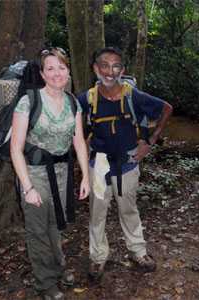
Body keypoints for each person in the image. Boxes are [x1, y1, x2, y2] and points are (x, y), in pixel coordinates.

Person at [77, 47, 173, 282]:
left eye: (116, 66)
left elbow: (166, 109)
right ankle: (98, 257)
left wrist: (150, 141)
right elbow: (75, 129)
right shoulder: (86, 99)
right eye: (105, 66)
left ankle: (138, 252)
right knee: (97, 212)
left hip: (128, 163)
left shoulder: (133, 95)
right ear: (96, 69)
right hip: (99, 166)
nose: (110, 71)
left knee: (128, 209)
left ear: (122, 69)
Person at [10, 47, 90, 300]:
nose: (57, 73)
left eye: (62, 68)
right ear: (43, 74)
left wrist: (85, 176)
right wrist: (27, 187)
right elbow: (16, 148)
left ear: (68, 72)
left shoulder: (72, 102)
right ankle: (44, 283)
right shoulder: (29, 101)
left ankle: (58, 268)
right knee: (38, 229)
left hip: (62, 172)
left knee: (56, 224)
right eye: (50, 68)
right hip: (34, 172)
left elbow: (78, 143)